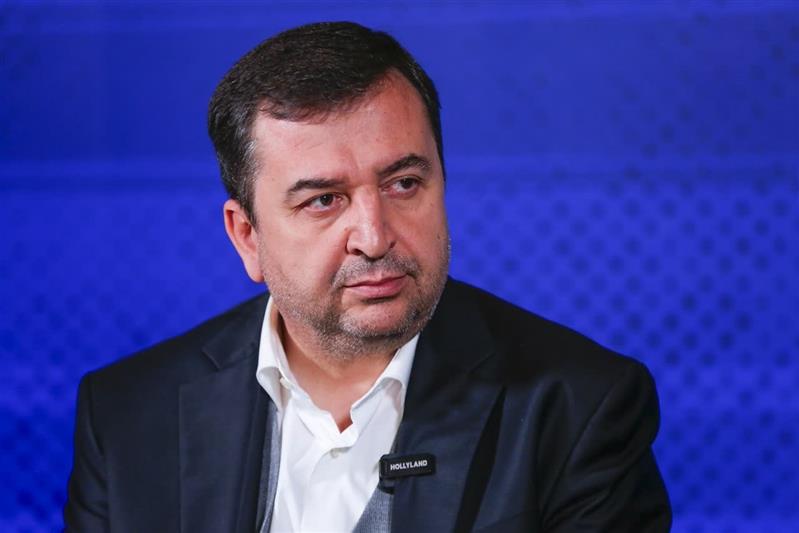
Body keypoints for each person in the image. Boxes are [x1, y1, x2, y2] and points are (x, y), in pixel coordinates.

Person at [64, 21, 671, 532]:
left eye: (404, 184)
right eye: (324, 200)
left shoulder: (580, 409)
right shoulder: (125, 418)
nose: (375, 237)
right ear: (247, 235)